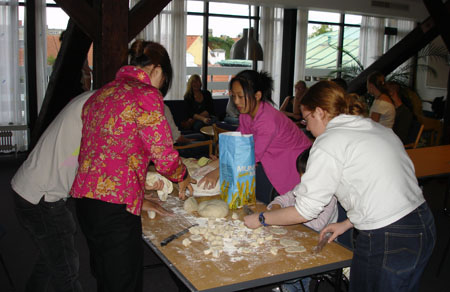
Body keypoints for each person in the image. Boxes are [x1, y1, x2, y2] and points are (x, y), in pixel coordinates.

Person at [244, 81, 435, 292]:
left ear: (319, 112)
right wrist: (347, 223)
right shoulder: (373, 128)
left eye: (306, 119)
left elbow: (305, 210)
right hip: (421, 223)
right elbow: (380, 188)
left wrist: (262, 218)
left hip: (389, 234)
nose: (306, 126)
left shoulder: (329, 142)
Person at [70, 40, 194, 292]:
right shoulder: (145, 94)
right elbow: (163, 153)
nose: (161, 87)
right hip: (114, 206)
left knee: (106, 276)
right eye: (163, 79)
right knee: (124, 283)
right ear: (157, 70)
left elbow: (113, 150)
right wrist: (182, 175)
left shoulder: (102, 93)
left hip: (85, 201)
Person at [10, 91, 93, 292]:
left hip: (32, 188)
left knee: (52, 259)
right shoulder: (99, 106)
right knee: (65, 268)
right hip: (42, 197)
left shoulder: (92, 99)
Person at [199, 70, 311, 197]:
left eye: (240, 96)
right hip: (276, 160)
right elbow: (240, 143)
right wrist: (220, 161)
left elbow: (252, 156)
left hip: (295, 164)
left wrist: (218, 171)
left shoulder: (268, 120)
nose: (236, 101)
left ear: (257, 95)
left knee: (292, 201)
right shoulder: (246, 115)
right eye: (233, 96)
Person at [267, 147, 338, 292]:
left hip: (322, 244)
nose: (304, 180)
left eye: (307, 175)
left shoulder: (330, 198)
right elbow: (285, 198)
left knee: (294, 265)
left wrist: (289, 216)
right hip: (300, 236)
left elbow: (316, 225)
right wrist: (276, 205)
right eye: (302, 175)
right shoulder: (303, 187)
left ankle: (296, 287)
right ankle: (287, 285)